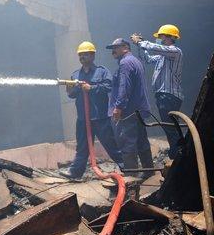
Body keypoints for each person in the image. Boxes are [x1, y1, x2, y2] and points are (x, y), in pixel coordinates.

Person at [59, 41, 124, 180]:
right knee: (82, 147)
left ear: (92, 55)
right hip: (83, 118)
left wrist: (92, 88)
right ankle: (75, 173)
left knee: (111, 145)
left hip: (100, 117)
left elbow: (109, 86)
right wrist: (69, 89)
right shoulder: (76, 74)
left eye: (85, 54)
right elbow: (72, 94)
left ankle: (127, 167)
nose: (82, 57)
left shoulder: (102, 71)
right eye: (80, 55)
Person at [130, 24, 183, 159]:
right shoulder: (162, 56)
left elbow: (155, 47)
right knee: (169, 127)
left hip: (169, 95)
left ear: (171, 37)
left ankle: (178, 153)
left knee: (170, 127)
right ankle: (177, 152)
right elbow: (147, 59)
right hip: (163, 95)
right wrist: (140, 46)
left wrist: (140, 42)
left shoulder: (175, 51)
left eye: (162, 37)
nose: (160, 39)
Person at [106, 38, 154, 177]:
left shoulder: (125, 63)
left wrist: (118, 107)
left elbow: (124, 87)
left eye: (116, 47)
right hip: (139, 109)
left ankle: (131, 177)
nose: (113, 51)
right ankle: (149, 171)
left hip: (128, 111)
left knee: (127, 144)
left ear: (126, 47)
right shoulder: (135, 61)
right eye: (112, 48)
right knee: (142, 141)